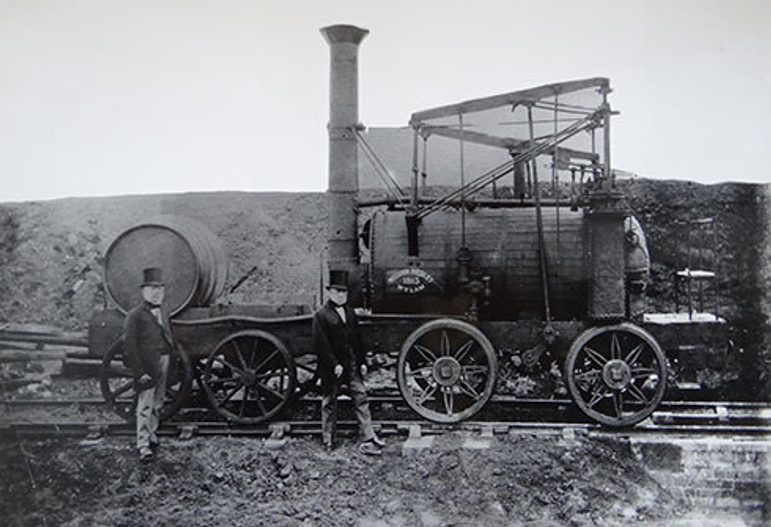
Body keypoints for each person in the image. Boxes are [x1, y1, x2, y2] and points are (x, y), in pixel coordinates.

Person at [313, 269, 384, 455]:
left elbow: (357, 340)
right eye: (337, 291)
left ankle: (369, 436)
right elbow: (322, 345)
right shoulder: (320, 315)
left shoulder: (350, 313)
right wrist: (334, 364)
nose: (341, 295)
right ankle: (328, 440)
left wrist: (362, 361)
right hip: (333, 367)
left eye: (344, 292)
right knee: (329, 402)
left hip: (351, 364)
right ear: (330, 292)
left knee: (361, 397)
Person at [123, 267, 172, 462]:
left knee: (158, 402)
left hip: (163, 360)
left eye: (160, 289)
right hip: (147, 365)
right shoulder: (135, 315)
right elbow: (130, 346)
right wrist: (139, 371)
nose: (157, 293)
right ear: (144, 291)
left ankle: (152, 434)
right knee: (145, 404)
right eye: (153, 289)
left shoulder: (163, 312)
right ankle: (143, 444)